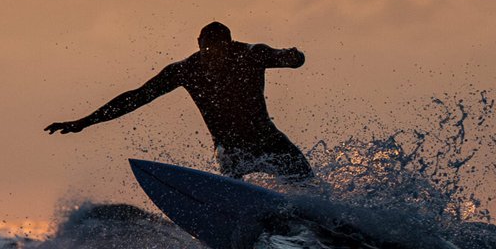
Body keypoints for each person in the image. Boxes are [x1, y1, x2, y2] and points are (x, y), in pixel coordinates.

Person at [45, 21, 313, 181]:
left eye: (219, 49)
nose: (213, 56)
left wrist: (293, 56)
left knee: (308, 187)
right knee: (231, 173)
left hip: (269, 141)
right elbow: (136, 97)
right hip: (231, 150)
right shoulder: (186, 70)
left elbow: (293, 59)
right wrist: (85, 122)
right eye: (207, 49)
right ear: (198, 44)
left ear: (230, 44)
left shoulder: (251, 55)